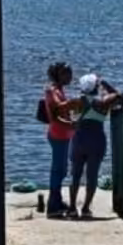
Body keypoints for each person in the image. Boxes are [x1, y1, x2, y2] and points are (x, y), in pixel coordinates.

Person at [68, 73, 119, 218]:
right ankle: (85, 208)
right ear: (96, 87)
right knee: (92, 176)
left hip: (79, 140)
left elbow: (67, 114)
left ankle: (72, 208)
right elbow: (117, 94)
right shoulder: (103, 102)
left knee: (75, 175)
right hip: (96, 141)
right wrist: (104, 83)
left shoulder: (77, 101)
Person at [44, 61, 77, 218]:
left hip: (63, 134)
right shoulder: (52, 91)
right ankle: (52, 205)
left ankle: (57, 199)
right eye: (66, 73)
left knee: (62, 169)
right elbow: (57, 109)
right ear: (58, 75)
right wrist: (74, 104)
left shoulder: (59, 90)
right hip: (58, 134)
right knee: (58, 170)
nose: (70, 76)